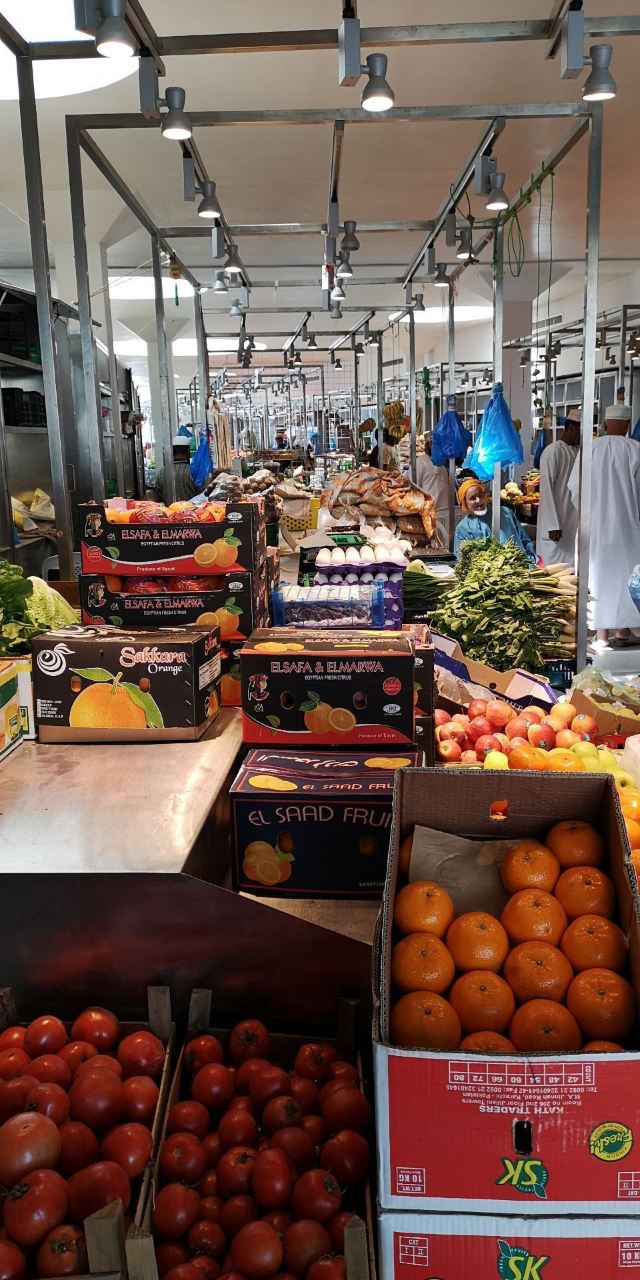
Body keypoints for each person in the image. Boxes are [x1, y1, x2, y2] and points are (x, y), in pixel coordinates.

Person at [568, 403, 640, 648]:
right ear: (627, 425)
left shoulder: (590, 449)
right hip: (627, 527)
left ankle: (601, 635)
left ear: (606, 424)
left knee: (596, 576)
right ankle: (623, 632)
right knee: (625, 576)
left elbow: (574, 488)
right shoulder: (635, 450)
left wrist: (588, 511)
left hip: (594, 526)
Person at [454, 477, 537, 564]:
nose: (478, 500)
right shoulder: (463, 529)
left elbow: (524, 540)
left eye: (480, 495)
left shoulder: (506, 513)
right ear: (465, 503)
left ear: (485, 495)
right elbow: (462, 560)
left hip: (521, 566)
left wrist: (531, 561)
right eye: (472, 498)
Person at [536, 408, 581, 566]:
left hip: (571, 521)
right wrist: (552, 524)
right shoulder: (552, 452)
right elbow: (546, 489)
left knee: (570, 568)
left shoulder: (577, 452)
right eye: (581, 431)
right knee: (552, 568)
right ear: (571, 428)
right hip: (555, 526)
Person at [415, 439, 450, 539]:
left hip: (444, 509)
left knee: (443, 538)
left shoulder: (441, 462)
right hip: (429, 511)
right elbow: (415, 486)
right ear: (429, 445)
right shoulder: (420, 462)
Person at [154, 435, 198, 504]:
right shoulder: (194, 471)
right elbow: (202, 495)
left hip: (169, 510)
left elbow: (157, 498)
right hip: (192, 510)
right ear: (188, 452)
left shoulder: (161, 472)